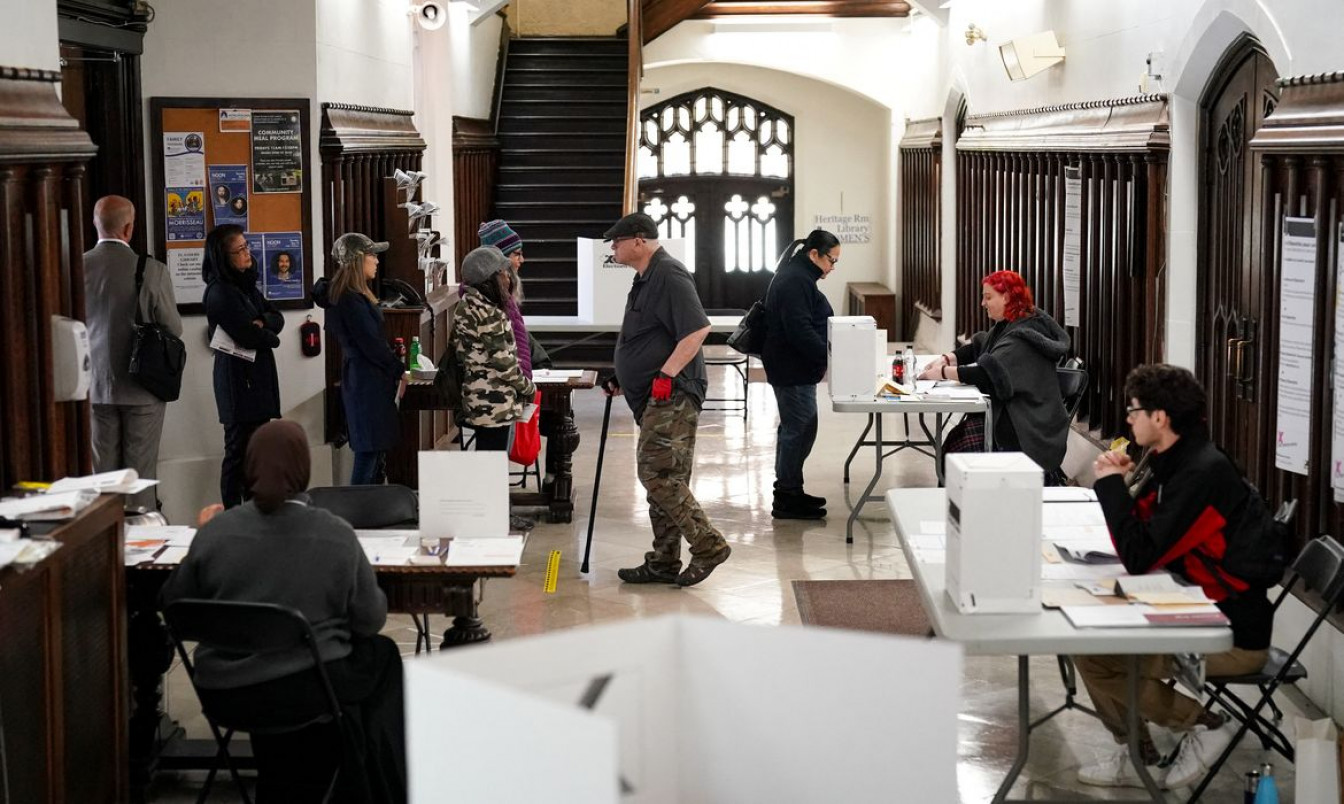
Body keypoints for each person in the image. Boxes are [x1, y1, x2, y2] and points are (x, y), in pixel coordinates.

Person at [159, 420, 406, 803]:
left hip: (226, 692)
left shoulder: (217, 532)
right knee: (383, 655)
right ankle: (371, 777)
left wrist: (203, 536)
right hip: (308, 689)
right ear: (304, 470)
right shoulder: (335, 533)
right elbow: (370, 620)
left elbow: (174, 605)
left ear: (249, 467)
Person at [1074, 364, 1270, 790]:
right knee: (1086, 645)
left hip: (1231, 634)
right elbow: (1147, 533)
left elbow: (1140, 556)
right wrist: (1124, 482)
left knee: (1098, 658)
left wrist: (1110, 485)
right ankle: (1138, 753)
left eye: (1134, 410)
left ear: (1159, 417)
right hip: (1192, 606)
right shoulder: (1175, 460)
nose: (1129, 420)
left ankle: (1205, 724)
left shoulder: (1202, 472)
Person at [605, 212, 731, 588]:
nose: (613, 249)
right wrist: (625, 376)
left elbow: (697, 329)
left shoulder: (669, 273)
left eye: (617, 242)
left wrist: (665, 374)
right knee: (664, 476)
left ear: (638, 240)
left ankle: (709, 545)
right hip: (654, 394)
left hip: (673, 393)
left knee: (658, 475)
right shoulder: (645, 277)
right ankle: (663, 561)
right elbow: (649, 335)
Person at [918, 269, 1069, 479]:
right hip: (1017, 416)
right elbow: (980, 346)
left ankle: (965, 497)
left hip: (1027, 428)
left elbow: (986, 374)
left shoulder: (1023, 337)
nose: (983, 303)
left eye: (988, 297)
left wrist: (941, 373)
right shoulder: (1012, 325)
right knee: (956, 442)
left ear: (1006, 297)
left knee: (959, 448)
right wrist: (947, 358)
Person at [83, 195, 183, 511]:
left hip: (95, 385)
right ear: (129, 228)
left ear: (96, 224)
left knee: (102, 476)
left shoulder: (75, 266)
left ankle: (104, 535)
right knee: (139, 474)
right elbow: (173, 328)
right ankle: (140, 535)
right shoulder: (151, 270)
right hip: (143, 386)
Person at [313, 233, 405, 485]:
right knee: (368, 453)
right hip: (365, 381)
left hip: (368, 378)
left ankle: (369, 505)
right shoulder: (349, 300)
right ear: (357, 259)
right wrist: (398, 369)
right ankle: (357, 506)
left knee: (373, 452)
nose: (377, 260)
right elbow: (371, 343)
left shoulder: (353, 295)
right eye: (372, 255)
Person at [203, 224, 283, 507]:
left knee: (257, 452)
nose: (247, 253)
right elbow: (249, 336)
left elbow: (276, 317)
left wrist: (264, 323)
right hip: (237, 380)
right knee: (238, 451)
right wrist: (268, 334)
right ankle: (233, 513)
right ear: (223, 258)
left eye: (246, 246)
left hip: (256, 378)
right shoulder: (219, 292)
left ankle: (254, 510)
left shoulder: (246, 286)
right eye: (240, 250)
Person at [760, 229, 838, 520]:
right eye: (831, 260)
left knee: (797, 429)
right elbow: (799, 330)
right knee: (799, 430)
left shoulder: (799, 276)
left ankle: (791, 489)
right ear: (814, 254)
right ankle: (787, 498)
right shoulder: (795, 280)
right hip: (791, 369)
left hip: (794, 367)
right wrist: (830, 357)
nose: (832, 267)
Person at [453, 246, 535, 452]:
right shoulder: (488, 312)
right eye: (502, 272)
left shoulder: (467, 304)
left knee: (487, 461)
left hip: (476, 397)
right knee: (493, 461)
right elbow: (504, 363)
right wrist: (528, 387)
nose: (507, 277)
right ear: (489, 279)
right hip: (495, 403)